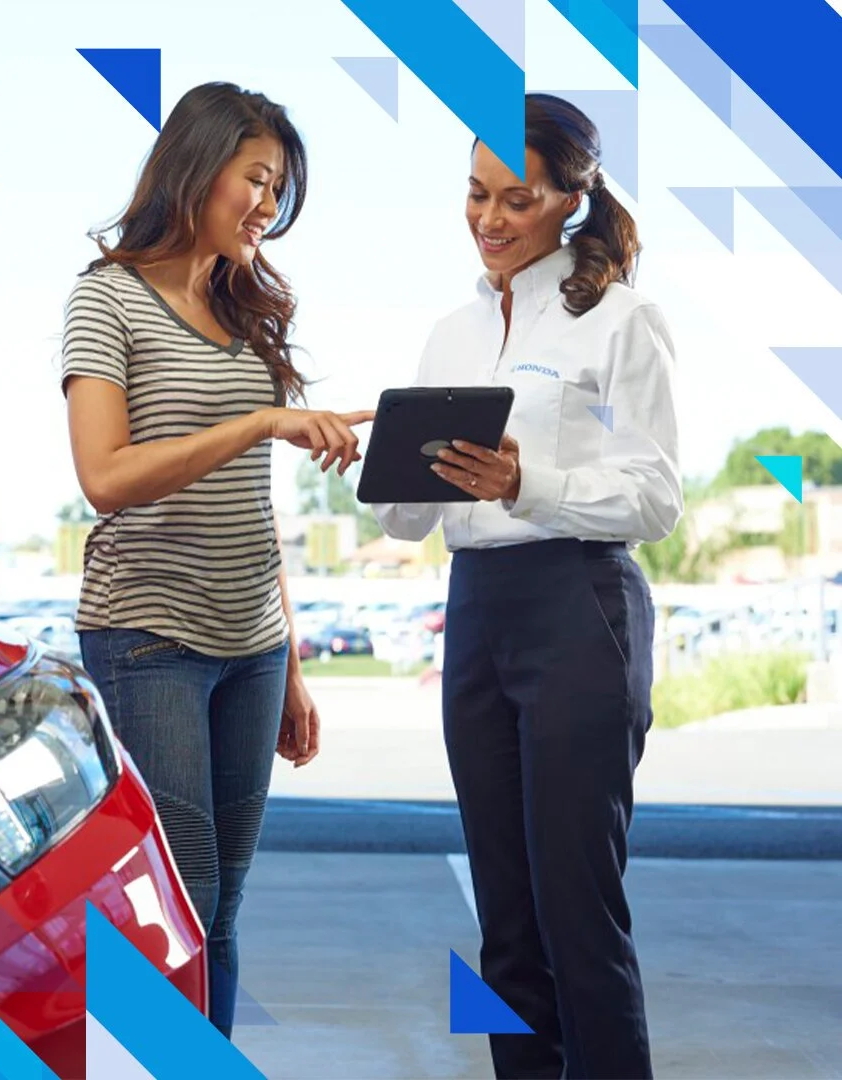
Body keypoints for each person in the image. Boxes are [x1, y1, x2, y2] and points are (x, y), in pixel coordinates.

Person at [373, 94, 682, 1079]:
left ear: (568, 200)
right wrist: (386, 475)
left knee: (575, 910)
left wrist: (526, 482)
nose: (490, 219)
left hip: (578, 609)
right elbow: (409, 518)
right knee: (503, 913)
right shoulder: (449, 333)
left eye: (516, 198)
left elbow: (656, 495)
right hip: (476, 614)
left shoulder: (621, 321)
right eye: (474, 196)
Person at [60, 82, 374, 1039]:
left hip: (254, 646)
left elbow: (253, 503)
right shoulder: (104, 297)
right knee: (175, 904)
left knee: (221, 909)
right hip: (149, 634)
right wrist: (262, 420)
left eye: (278, 187)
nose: (268, 204)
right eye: (258, 179)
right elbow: (105, 477)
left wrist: (292, 661)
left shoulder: (246, 313)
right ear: (198, 170)